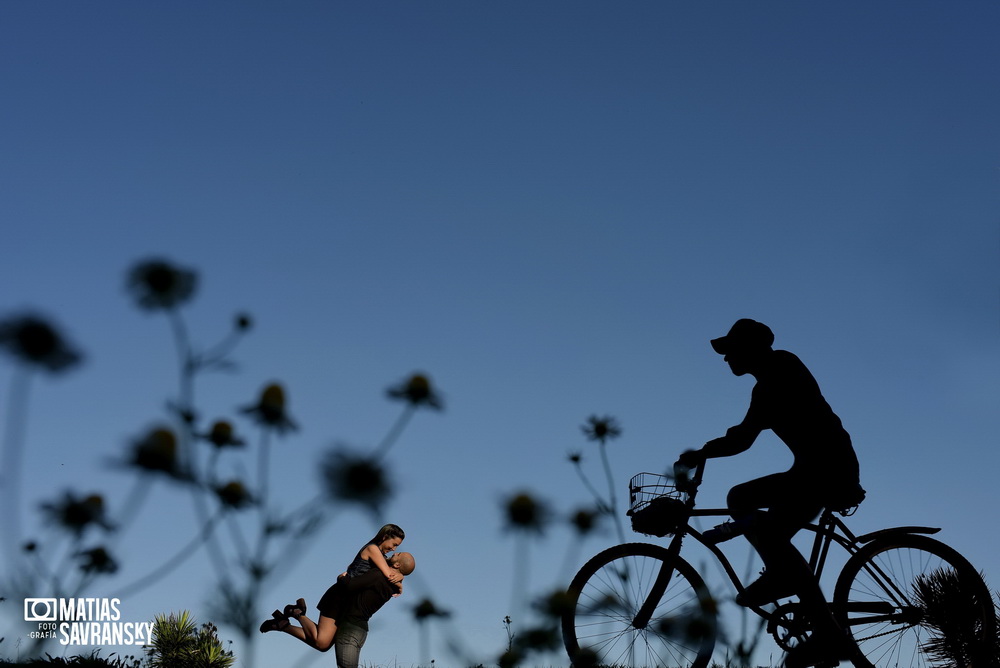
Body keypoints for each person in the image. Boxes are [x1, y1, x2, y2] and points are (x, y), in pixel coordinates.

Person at [676, 319, 863, 668]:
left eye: (731, 350)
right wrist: (707, 451)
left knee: (744, 505)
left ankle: (826, 632)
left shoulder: (780, 369)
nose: (726, 358)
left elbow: (743, 438)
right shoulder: (771, 378)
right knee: (765, 529)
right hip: (816, 469)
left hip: (826, 469)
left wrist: (703, 452)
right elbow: (744, 435)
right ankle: (808, 610)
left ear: (751, 349)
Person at [260, 524, 407, 652]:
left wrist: (401, 577)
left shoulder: (380, 555)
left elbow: (381, 569)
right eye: (394, 544)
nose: (394, 549)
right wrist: (399, 583)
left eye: (397, 547)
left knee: (323, 645)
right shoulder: (372, 549)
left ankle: (283, 624)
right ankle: (295, 613)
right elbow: (389, 574)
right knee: (322, 642)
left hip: (347, 601)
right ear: (385, 536)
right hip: (338, 597)